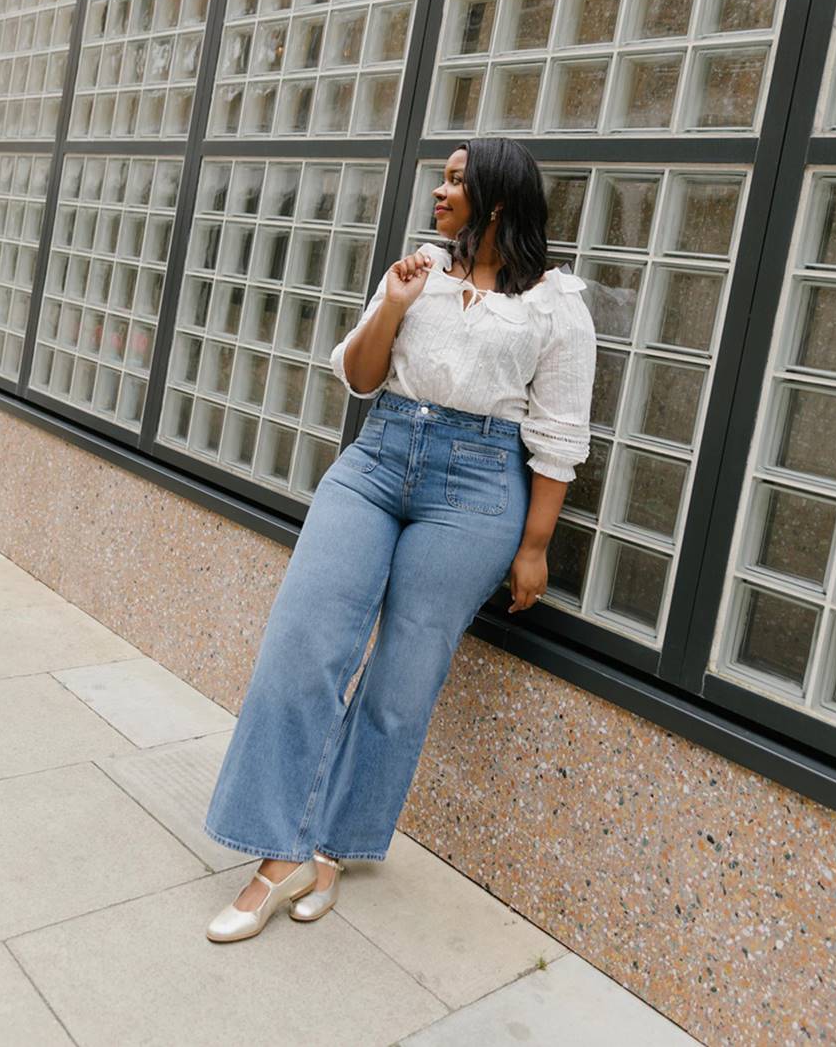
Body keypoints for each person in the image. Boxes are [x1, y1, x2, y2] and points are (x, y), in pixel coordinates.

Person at [202, 137, 597, 943]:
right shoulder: (418, 269)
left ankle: (332, 850)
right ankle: (275, 856)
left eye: (457, 180)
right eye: (443, 178)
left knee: (400, 683)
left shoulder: (557, 305)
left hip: (477, 491)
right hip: (378, 461)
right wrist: (390, 304)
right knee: (303, 642)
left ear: (494, 198)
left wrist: (534, 547)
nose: (441, 191)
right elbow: (358, 375)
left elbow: (560, 433)